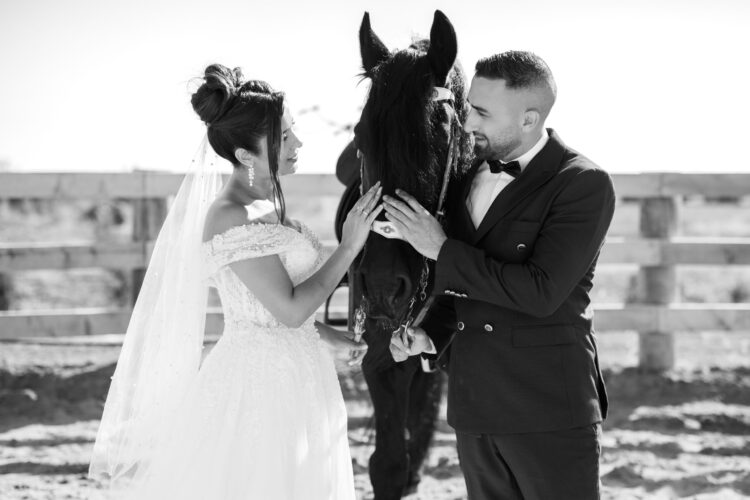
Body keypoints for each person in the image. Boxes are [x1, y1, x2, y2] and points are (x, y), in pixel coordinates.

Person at [89, 63, 383, 499]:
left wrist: (328, 336)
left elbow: (268, 309)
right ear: (245, 156)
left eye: (292, 131)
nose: (297, 143)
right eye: (284, 137)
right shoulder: (231, 216)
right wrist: (350, 245)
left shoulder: (268, 207)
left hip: (302, 375)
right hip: (258, 387)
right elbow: (289, 310)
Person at [383, 51, 615, 499]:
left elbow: (540, 292)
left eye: (483, 113)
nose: (469, 122)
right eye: (470, 107)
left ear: (529, 119)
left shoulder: (582, 183)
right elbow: (463, 285)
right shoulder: (466, 176)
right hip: (474, 407)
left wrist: (441, 248)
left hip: (548, 408)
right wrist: (429, 333)